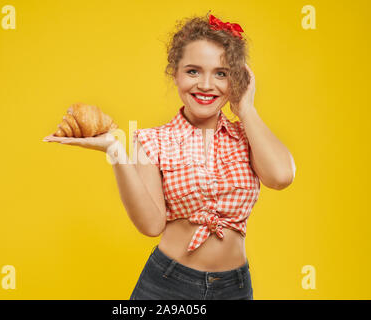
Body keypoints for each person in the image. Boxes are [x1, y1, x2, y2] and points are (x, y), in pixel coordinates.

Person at [43, 11, 296, 300]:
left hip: (234, 288)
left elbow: (281, 177)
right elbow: (151, 225)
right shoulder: (153, 141)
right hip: (167, 286)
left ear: (236, 80)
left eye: (221, 73)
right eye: (193, 71)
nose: (205, 84)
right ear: (174, 73)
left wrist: (247, 109)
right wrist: (115, 151)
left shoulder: (247, 136)